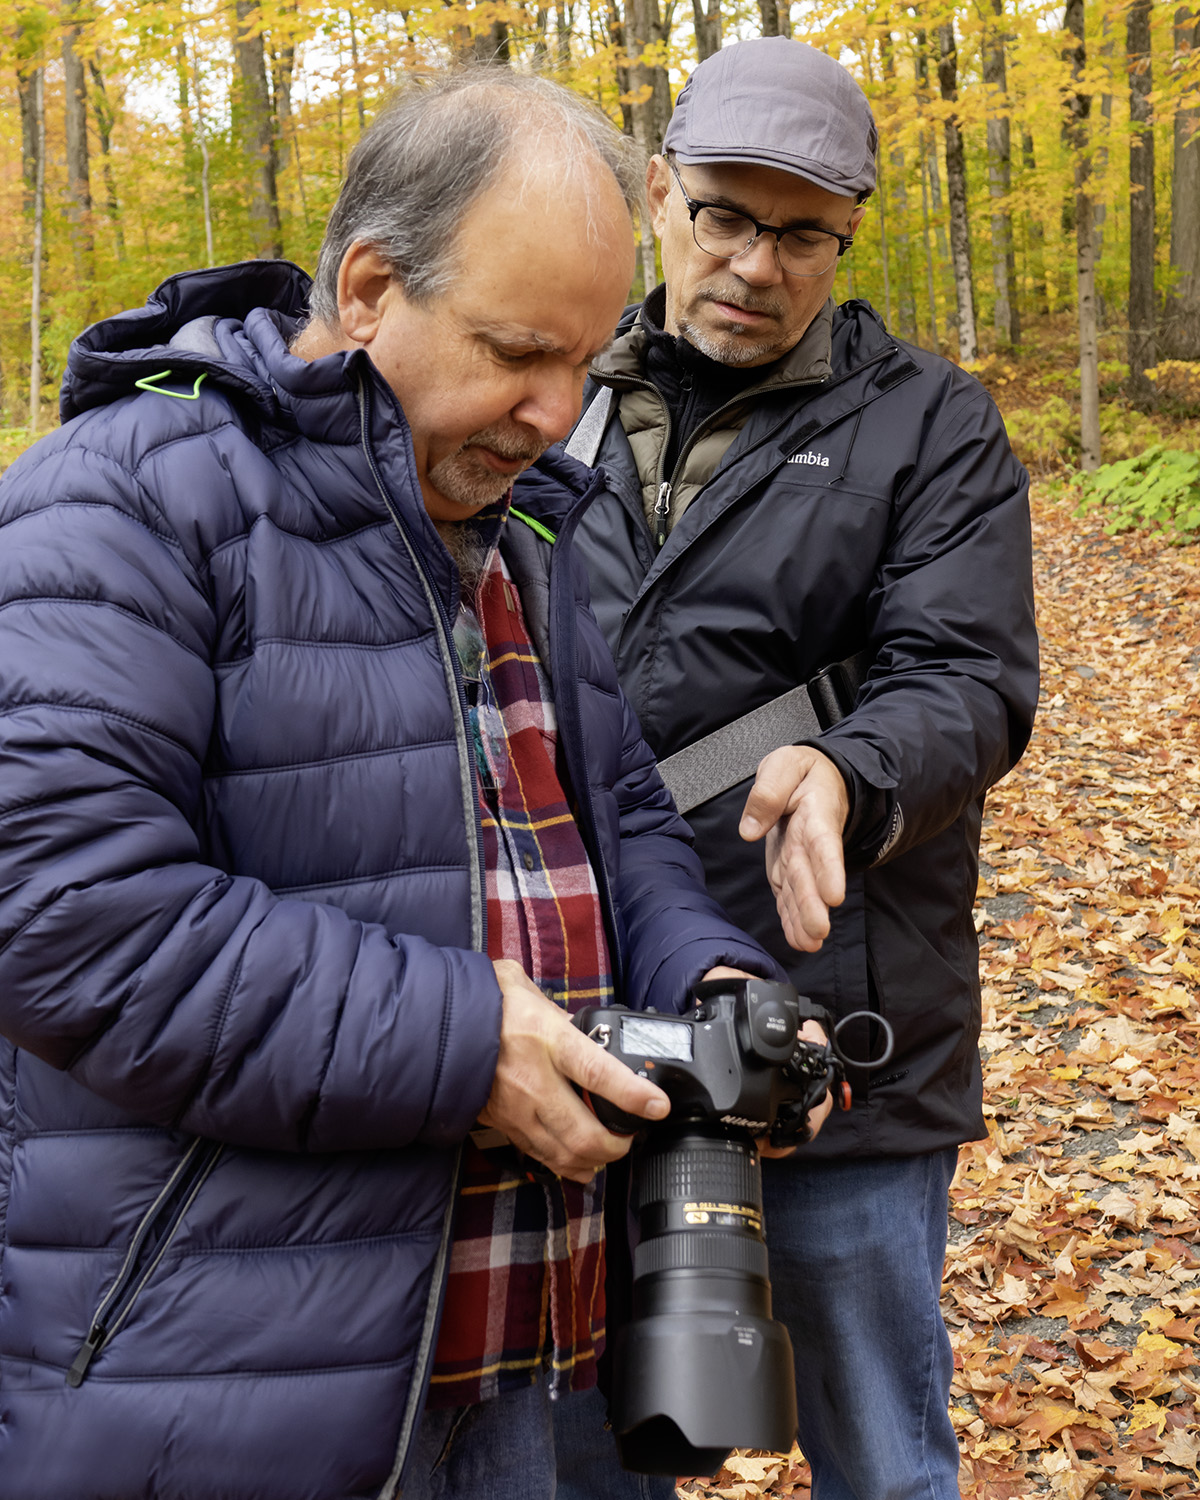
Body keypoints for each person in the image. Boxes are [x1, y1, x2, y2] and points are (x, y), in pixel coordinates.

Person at [0, 71, 789, 1500]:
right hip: (241, 1387)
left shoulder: (514, 543)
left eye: (587, 366)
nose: (556, 417)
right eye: (515, 352)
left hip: (543, 1359)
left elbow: (616, 822)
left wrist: (710, 981)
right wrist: (460, 1042)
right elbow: (65, 919)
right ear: (368, 288)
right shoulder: (116, 504)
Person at [554, 37, 1040, 1500]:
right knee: (578, 1447)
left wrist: (848, 770)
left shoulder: (929, 425)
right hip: (581, 1012)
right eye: (724, 214)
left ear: (846, 238)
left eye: (802, 231)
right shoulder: (546, 392)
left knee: (881, 1447)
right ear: (658, 193)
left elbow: (967, 676)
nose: (756, 263)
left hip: (831, 1027)